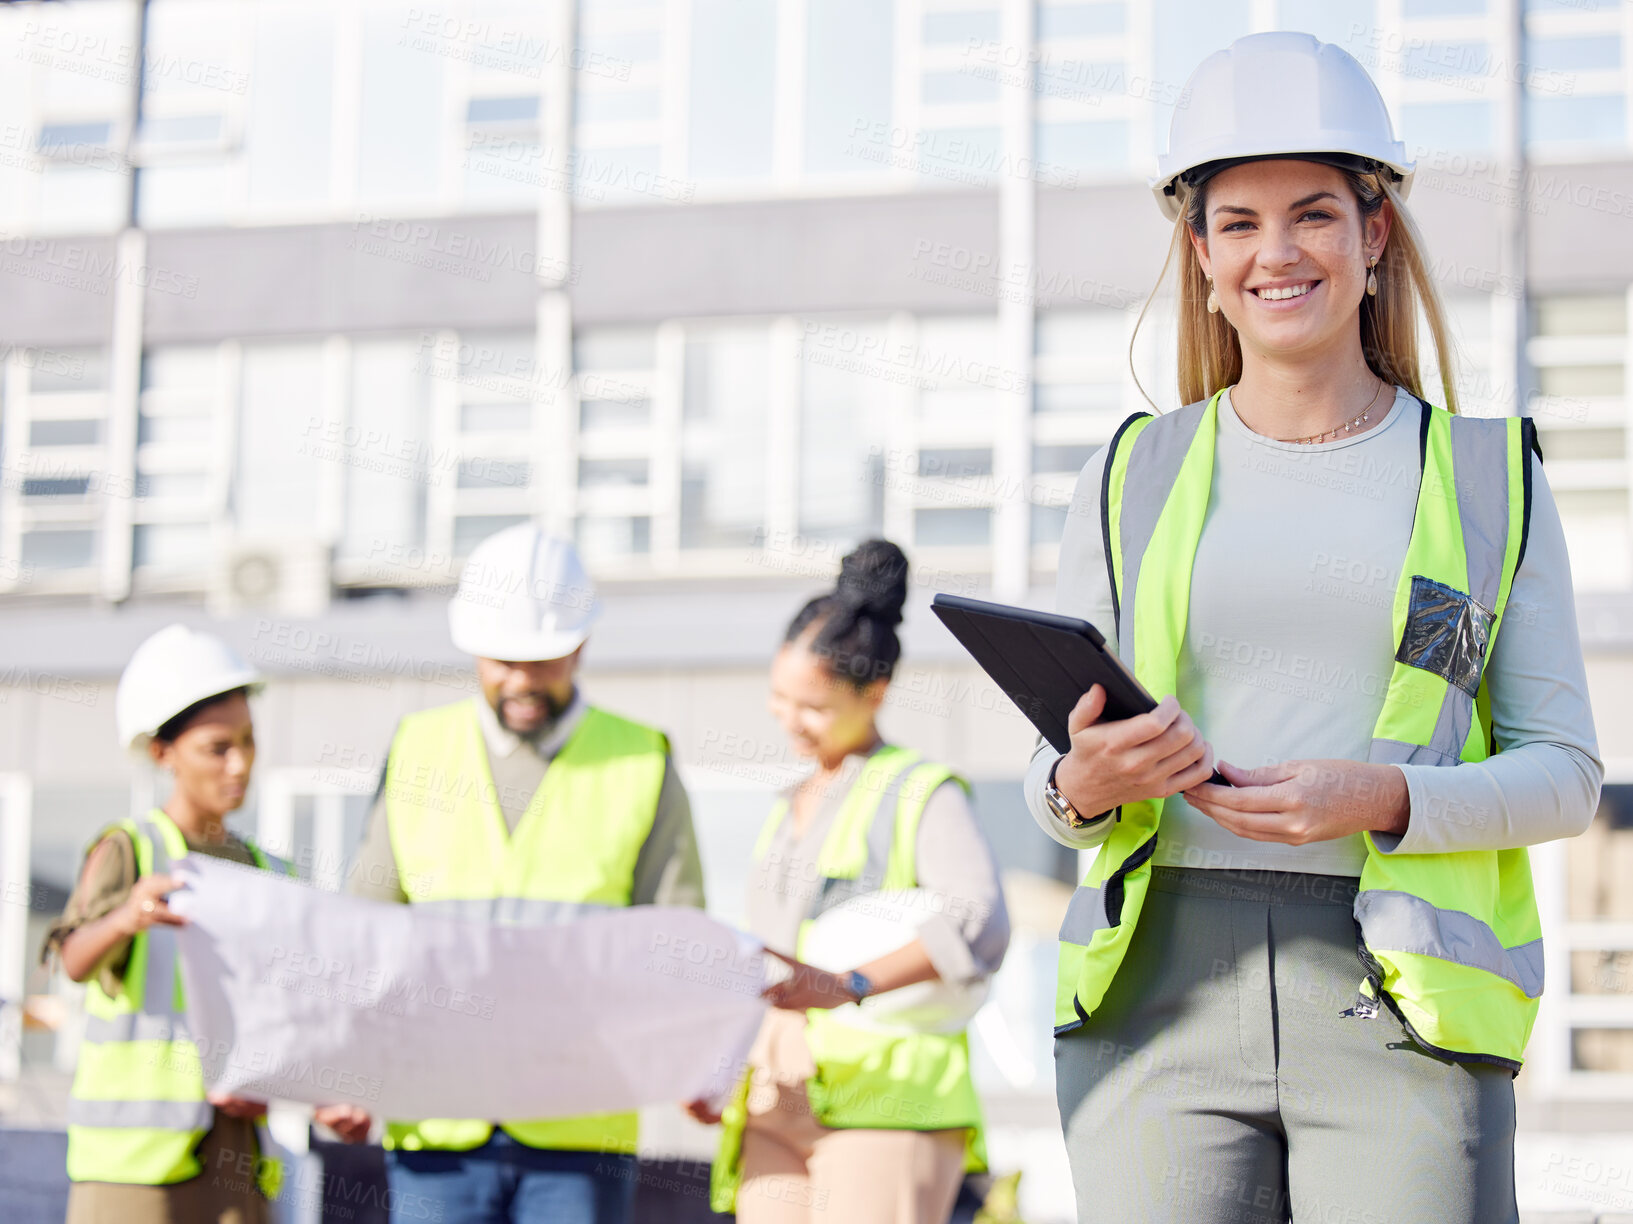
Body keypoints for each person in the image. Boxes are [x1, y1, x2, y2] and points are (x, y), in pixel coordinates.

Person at [1023, 31, 1603, 1224]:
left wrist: (1384, 799)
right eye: (1236, 222)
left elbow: (1565, 778)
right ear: (1198, 253)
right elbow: (1054, 780)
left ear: (1373, 235)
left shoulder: (1486, 477)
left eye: (1312, 215)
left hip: (1399, 1007)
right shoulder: (1130, 474)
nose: (1274, 253)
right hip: (1154, 1004)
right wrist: (1078, 784)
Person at [343, 524, 706, 1224]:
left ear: (581, 643)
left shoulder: (641, 760)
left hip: (579, 1121)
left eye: (541, 660)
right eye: (501, 660)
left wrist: (692, 1061)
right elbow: (365, 928)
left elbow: (677, 937)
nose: (519, 681)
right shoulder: (417, 749)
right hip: (437, 1120)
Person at [701, 539, 1011, 1224]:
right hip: (774, 1099)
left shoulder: (921, 792)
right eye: (779, 698)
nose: (789, 721)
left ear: (875, 692)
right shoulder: (786, 808)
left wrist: (850, 986)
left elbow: (979, 920)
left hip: (886, 1104)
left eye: (812, 706)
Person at [44, 625, 361, 1222]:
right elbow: (74, 962)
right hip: (134, 1170)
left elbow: (292, 1011)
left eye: (248, 740)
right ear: (163, 752)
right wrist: (125, 918)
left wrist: (324, 1093)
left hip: (238, 1151)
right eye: (218, 747)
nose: (240, 763)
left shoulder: (270, 870)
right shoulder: (129, 850)